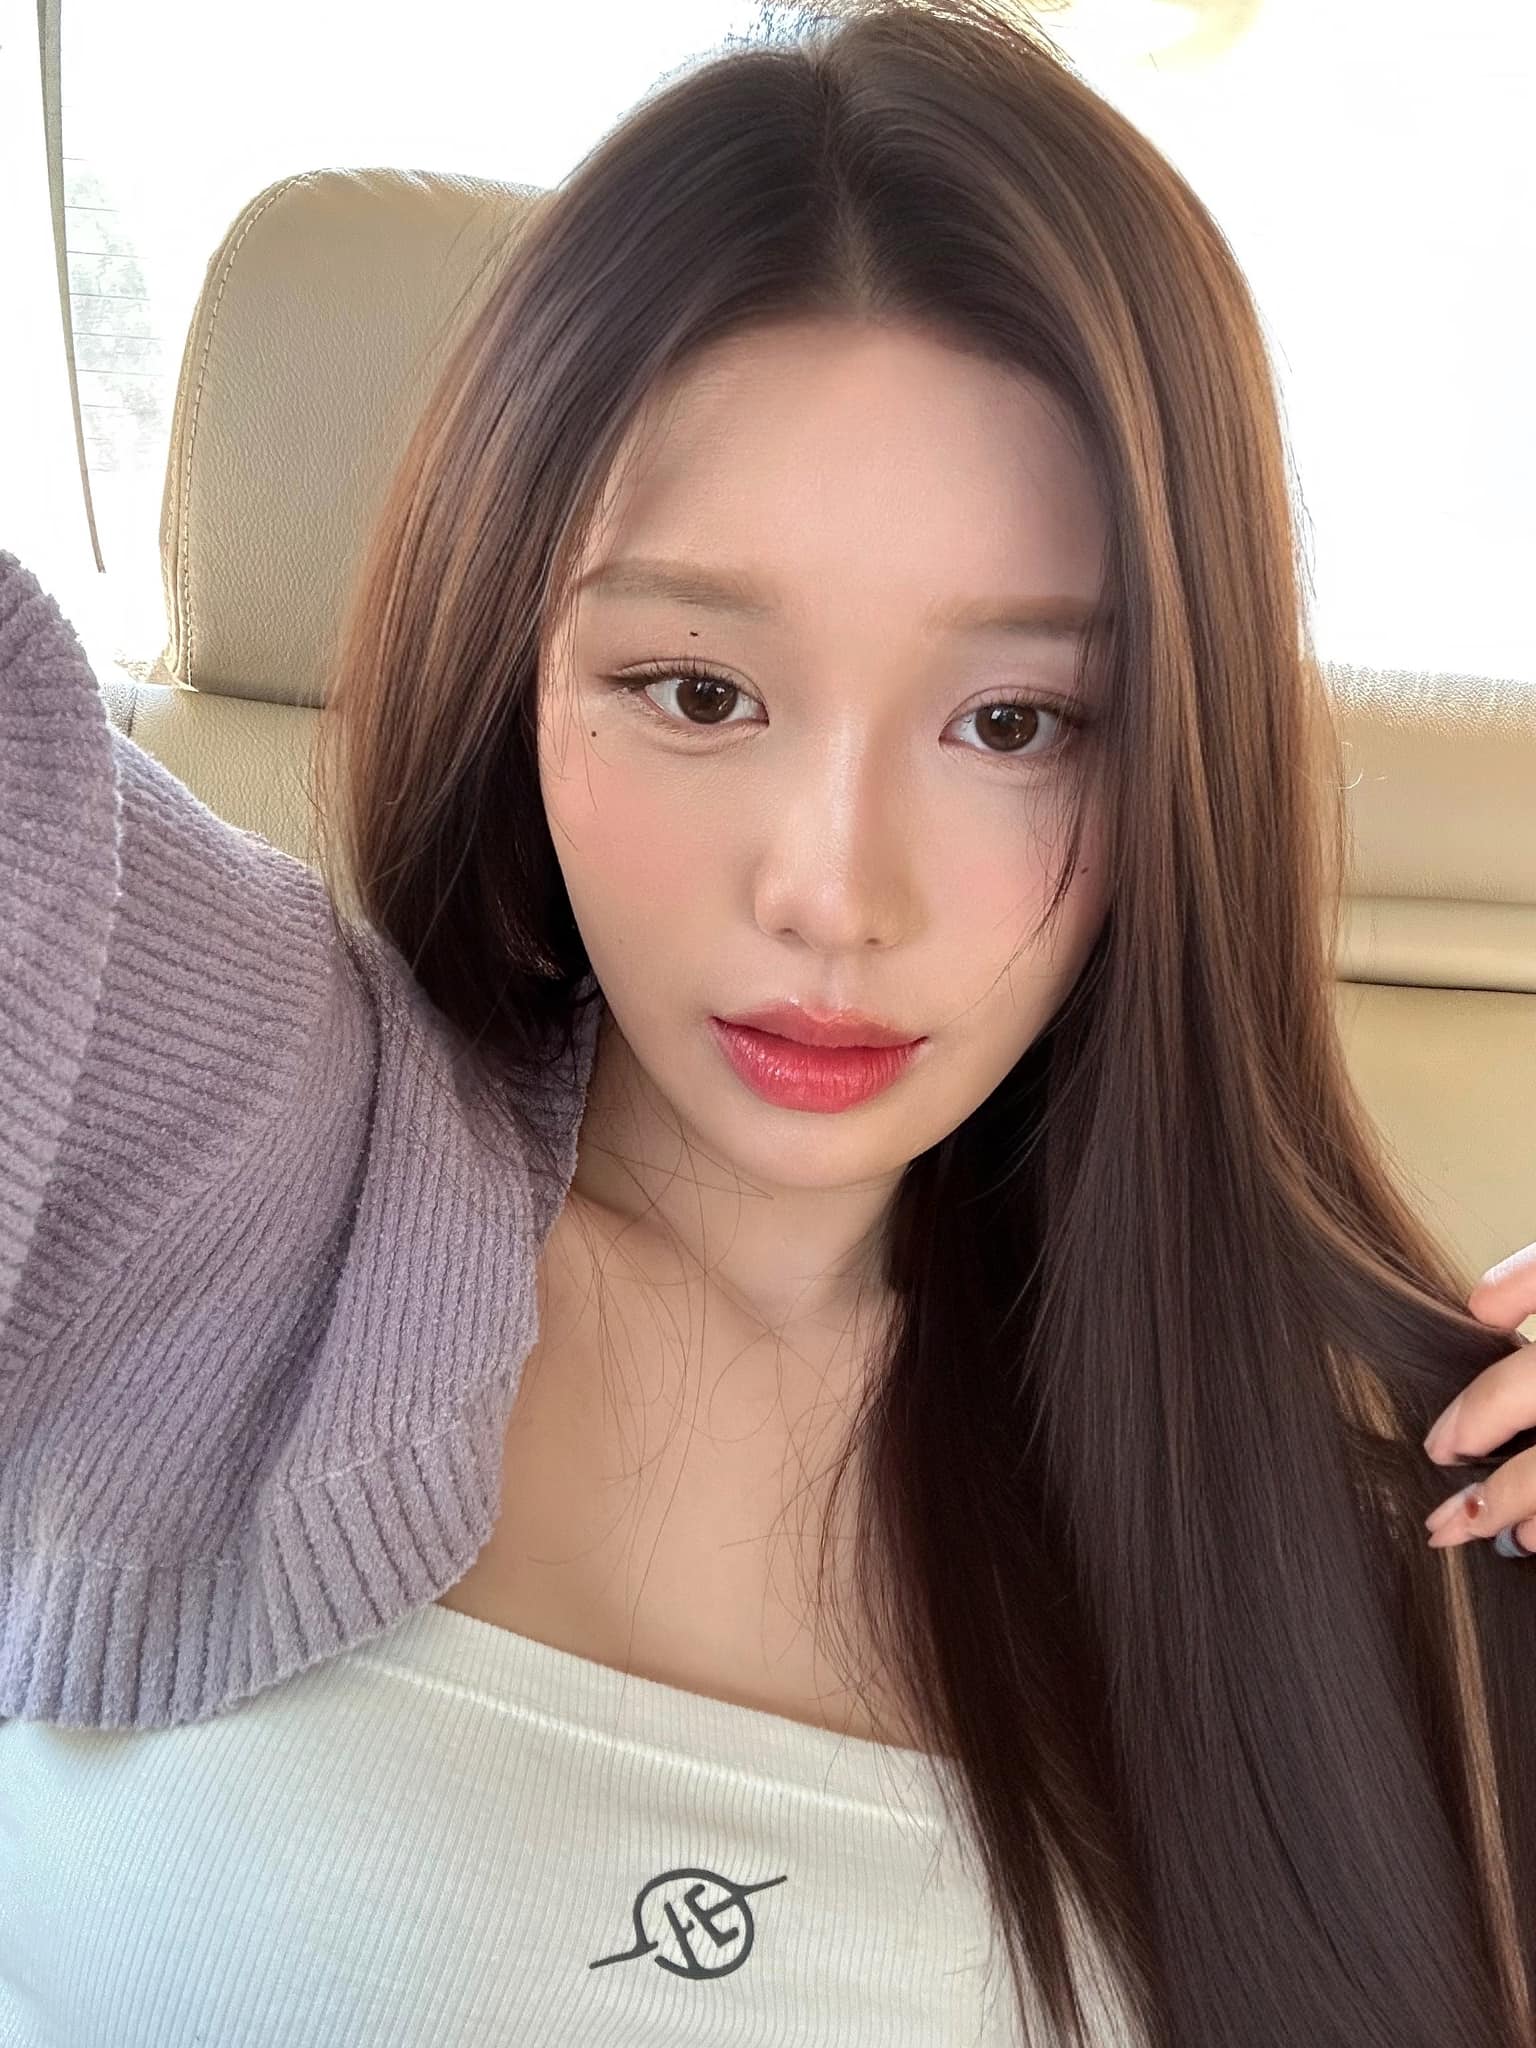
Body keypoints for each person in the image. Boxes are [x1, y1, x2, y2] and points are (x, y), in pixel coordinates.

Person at [1, 1, 1533, 2043]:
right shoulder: (220, 1122)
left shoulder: (1378, 1509)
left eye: (1016, 723)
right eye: (699, 689)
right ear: (517, 666)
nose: (834, 888)